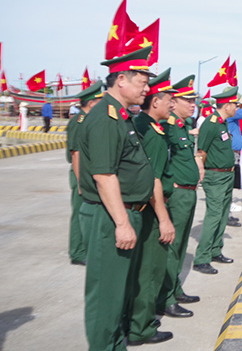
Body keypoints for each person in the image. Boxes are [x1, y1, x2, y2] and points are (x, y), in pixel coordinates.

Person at [77, 46, 164, 349]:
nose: (147, 88)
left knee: (117, 296)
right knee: (106, 298)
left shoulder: (121, 116)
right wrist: (122, 223)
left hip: (122, 213)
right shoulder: (106, 118)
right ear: (122, 81)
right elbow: (104, 176)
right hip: (110, 216)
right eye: (142, 82)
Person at [129, 69, 177, 345]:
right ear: (156, 102)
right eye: (169, 99)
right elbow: (153, 179)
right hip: (150, 210)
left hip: (145, 207)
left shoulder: (147, 126)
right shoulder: (151, 133)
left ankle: (138, 319)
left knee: (143, 269)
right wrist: (163, 218)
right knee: (149, 270)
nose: (172, 104)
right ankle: (142, 328)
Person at [158, 74, 202, 319]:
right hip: (177, 194)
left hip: (189, 193)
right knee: (172, 249)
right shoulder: (168, 127)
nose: (193, 104)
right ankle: (165, 298)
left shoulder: (183, 126)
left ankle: (174, 289)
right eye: (188, 100)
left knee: (181, 245)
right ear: (173, 102)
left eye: (194, 100)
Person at [193, 86, 242, 275]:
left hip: (227, 175)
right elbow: (201, 151)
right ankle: (202, 258)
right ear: (227, 105)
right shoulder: (211, 124)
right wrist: (201, 174)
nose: (236, 108)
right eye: (235, 105)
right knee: (213, 215)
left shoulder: (223, 123)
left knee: (222, 215)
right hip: (215, 176)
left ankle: (215, 250)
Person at [65, 81, 104, 266]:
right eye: (99, 101)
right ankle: (77, 252)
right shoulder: (78, 121)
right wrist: (81, 182)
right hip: (80, 173)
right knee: (79, 213)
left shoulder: (87, 120)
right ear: (91, 103)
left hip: (87, 172)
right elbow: (76, 154)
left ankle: (85, 248)